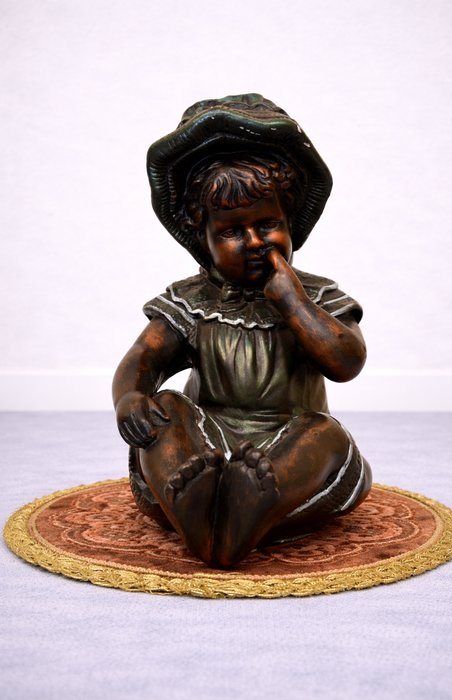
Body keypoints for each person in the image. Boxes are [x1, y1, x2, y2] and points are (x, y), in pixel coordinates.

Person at [113, 94, 372, 568]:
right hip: (203, 448)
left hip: (287, 448)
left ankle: (244, 506)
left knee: (324, 434)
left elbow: (346, 361)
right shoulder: (192, 300)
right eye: (232, 232)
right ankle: (202, 506)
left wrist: (293, 302)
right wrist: (130, 397)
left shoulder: (315, 295)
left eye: (268, 224)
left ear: (290, 222)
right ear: (203, 238)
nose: (254, 242)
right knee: (165, 408)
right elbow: (143, 358)